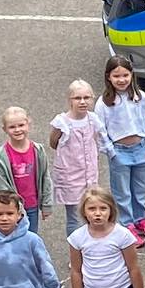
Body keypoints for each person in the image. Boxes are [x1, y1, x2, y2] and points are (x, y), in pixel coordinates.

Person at [97, 55, 145, 231]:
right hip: (119, 151)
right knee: (122, 192)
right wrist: (111, 152)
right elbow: (101, 130)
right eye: (116, 76)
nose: (122, 80)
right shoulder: (104, 103)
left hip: (141, 149)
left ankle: (141, 219)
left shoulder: (140, 96)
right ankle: (127, 224)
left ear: (132, 75)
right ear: (108, 77)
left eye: (125, 75)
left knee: (140, 189)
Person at [47, 79, 106, 219]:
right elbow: (54, 142)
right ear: (70, 100)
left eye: (87, 98)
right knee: (73, 217)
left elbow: (95, 141)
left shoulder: (93, 120)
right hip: (71, 176)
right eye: (77, 98)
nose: (82, 102)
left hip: (89, 174)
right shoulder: (62, 122)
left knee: (90, 210)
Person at [0, 106, 48, 233]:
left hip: (32, 204)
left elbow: (45, 177)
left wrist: (46, 204)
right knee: (13, 237)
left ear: (28, 124)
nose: (17, 130)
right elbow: (3, 185)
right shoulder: (1, 155)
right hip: (12, 208)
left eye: (21, 125)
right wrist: (15, 207)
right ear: (4, 129)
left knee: (31, 236)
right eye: (12, 127)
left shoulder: (38, 150)